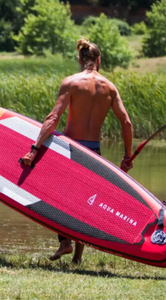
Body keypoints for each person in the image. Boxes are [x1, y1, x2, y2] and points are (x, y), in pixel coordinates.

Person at [21, 37, 134, 265]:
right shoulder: (110, 88)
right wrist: (127, 155)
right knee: (85, 203)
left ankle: (65, 241)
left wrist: (35, 148)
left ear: (80, 58)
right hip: (94, 153)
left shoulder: (71, 82)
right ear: (99, 60)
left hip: (71, 150)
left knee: (55, 197)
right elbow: (127, 123)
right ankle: (77, 256)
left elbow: (54, 117)